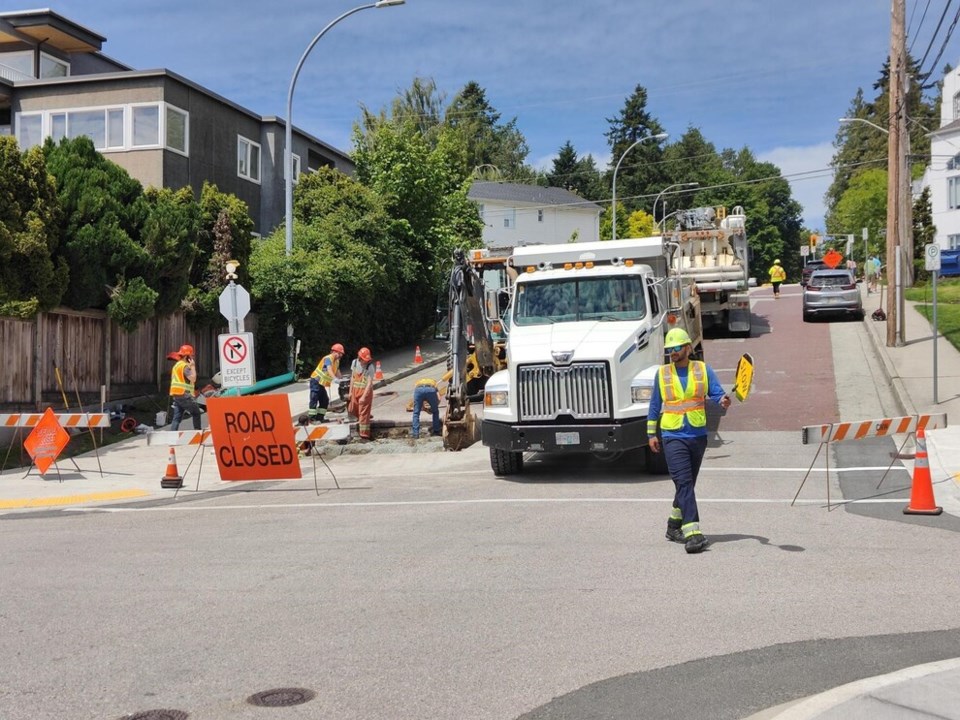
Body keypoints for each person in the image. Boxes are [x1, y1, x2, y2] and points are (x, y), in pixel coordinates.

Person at [647, 328, 732, 554]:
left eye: (676, 348)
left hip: (697, 435)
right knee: (683, 481)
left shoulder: (702, 370)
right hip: (672, 436)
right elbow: (654, 405)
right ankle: (692, 532)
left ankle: (673, 525)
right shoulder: (663, 374)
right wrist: (650, 434)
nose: (672, 352)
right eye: (669, 350)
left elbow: (716, 394)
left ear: (687, 348)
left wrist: (723, 400)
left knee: (687, 484)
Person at [308, 343, 344, 424]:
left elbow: (337, 371)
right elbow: (329, 369)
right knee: (314, 399)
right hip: (316, 381)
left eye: (341, 354)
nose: (340, 355)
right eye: (339, 353)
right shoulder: (328, 358)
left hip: (321, 383)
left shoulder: (337, 361)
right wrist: (335, 379)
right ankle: (312, 419)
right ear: (334, 352)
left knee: (324, 400)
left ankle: (320, 418)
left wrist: (342, 379)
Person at [169, 344, 201, 431]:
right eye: (191, 356)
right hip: (184, 394)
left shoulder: (177, 365)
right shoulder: (184, 366)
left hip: (176, 394)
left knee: (177, 418)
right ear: (187, 356)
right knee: (196, 413)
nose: (192, 358)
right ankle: (198, 433)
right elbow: (193, 378)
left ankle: (172, 436)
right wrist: (193, 366)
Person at [347, 347, 376, 441]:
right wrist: (350, 392)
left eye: (367, 360)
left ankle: (364, 435)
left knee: (363, 414)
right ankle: (366, 417)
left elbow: (369, 383)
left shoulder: (370, 367)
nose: (365, 362)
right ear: (360, 357)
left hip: (365, 393)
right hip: (355, 391)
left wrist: (363, 397)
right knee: (352, 409)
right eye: (364, 360)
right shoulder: (355, 363)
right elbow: (352, 378)